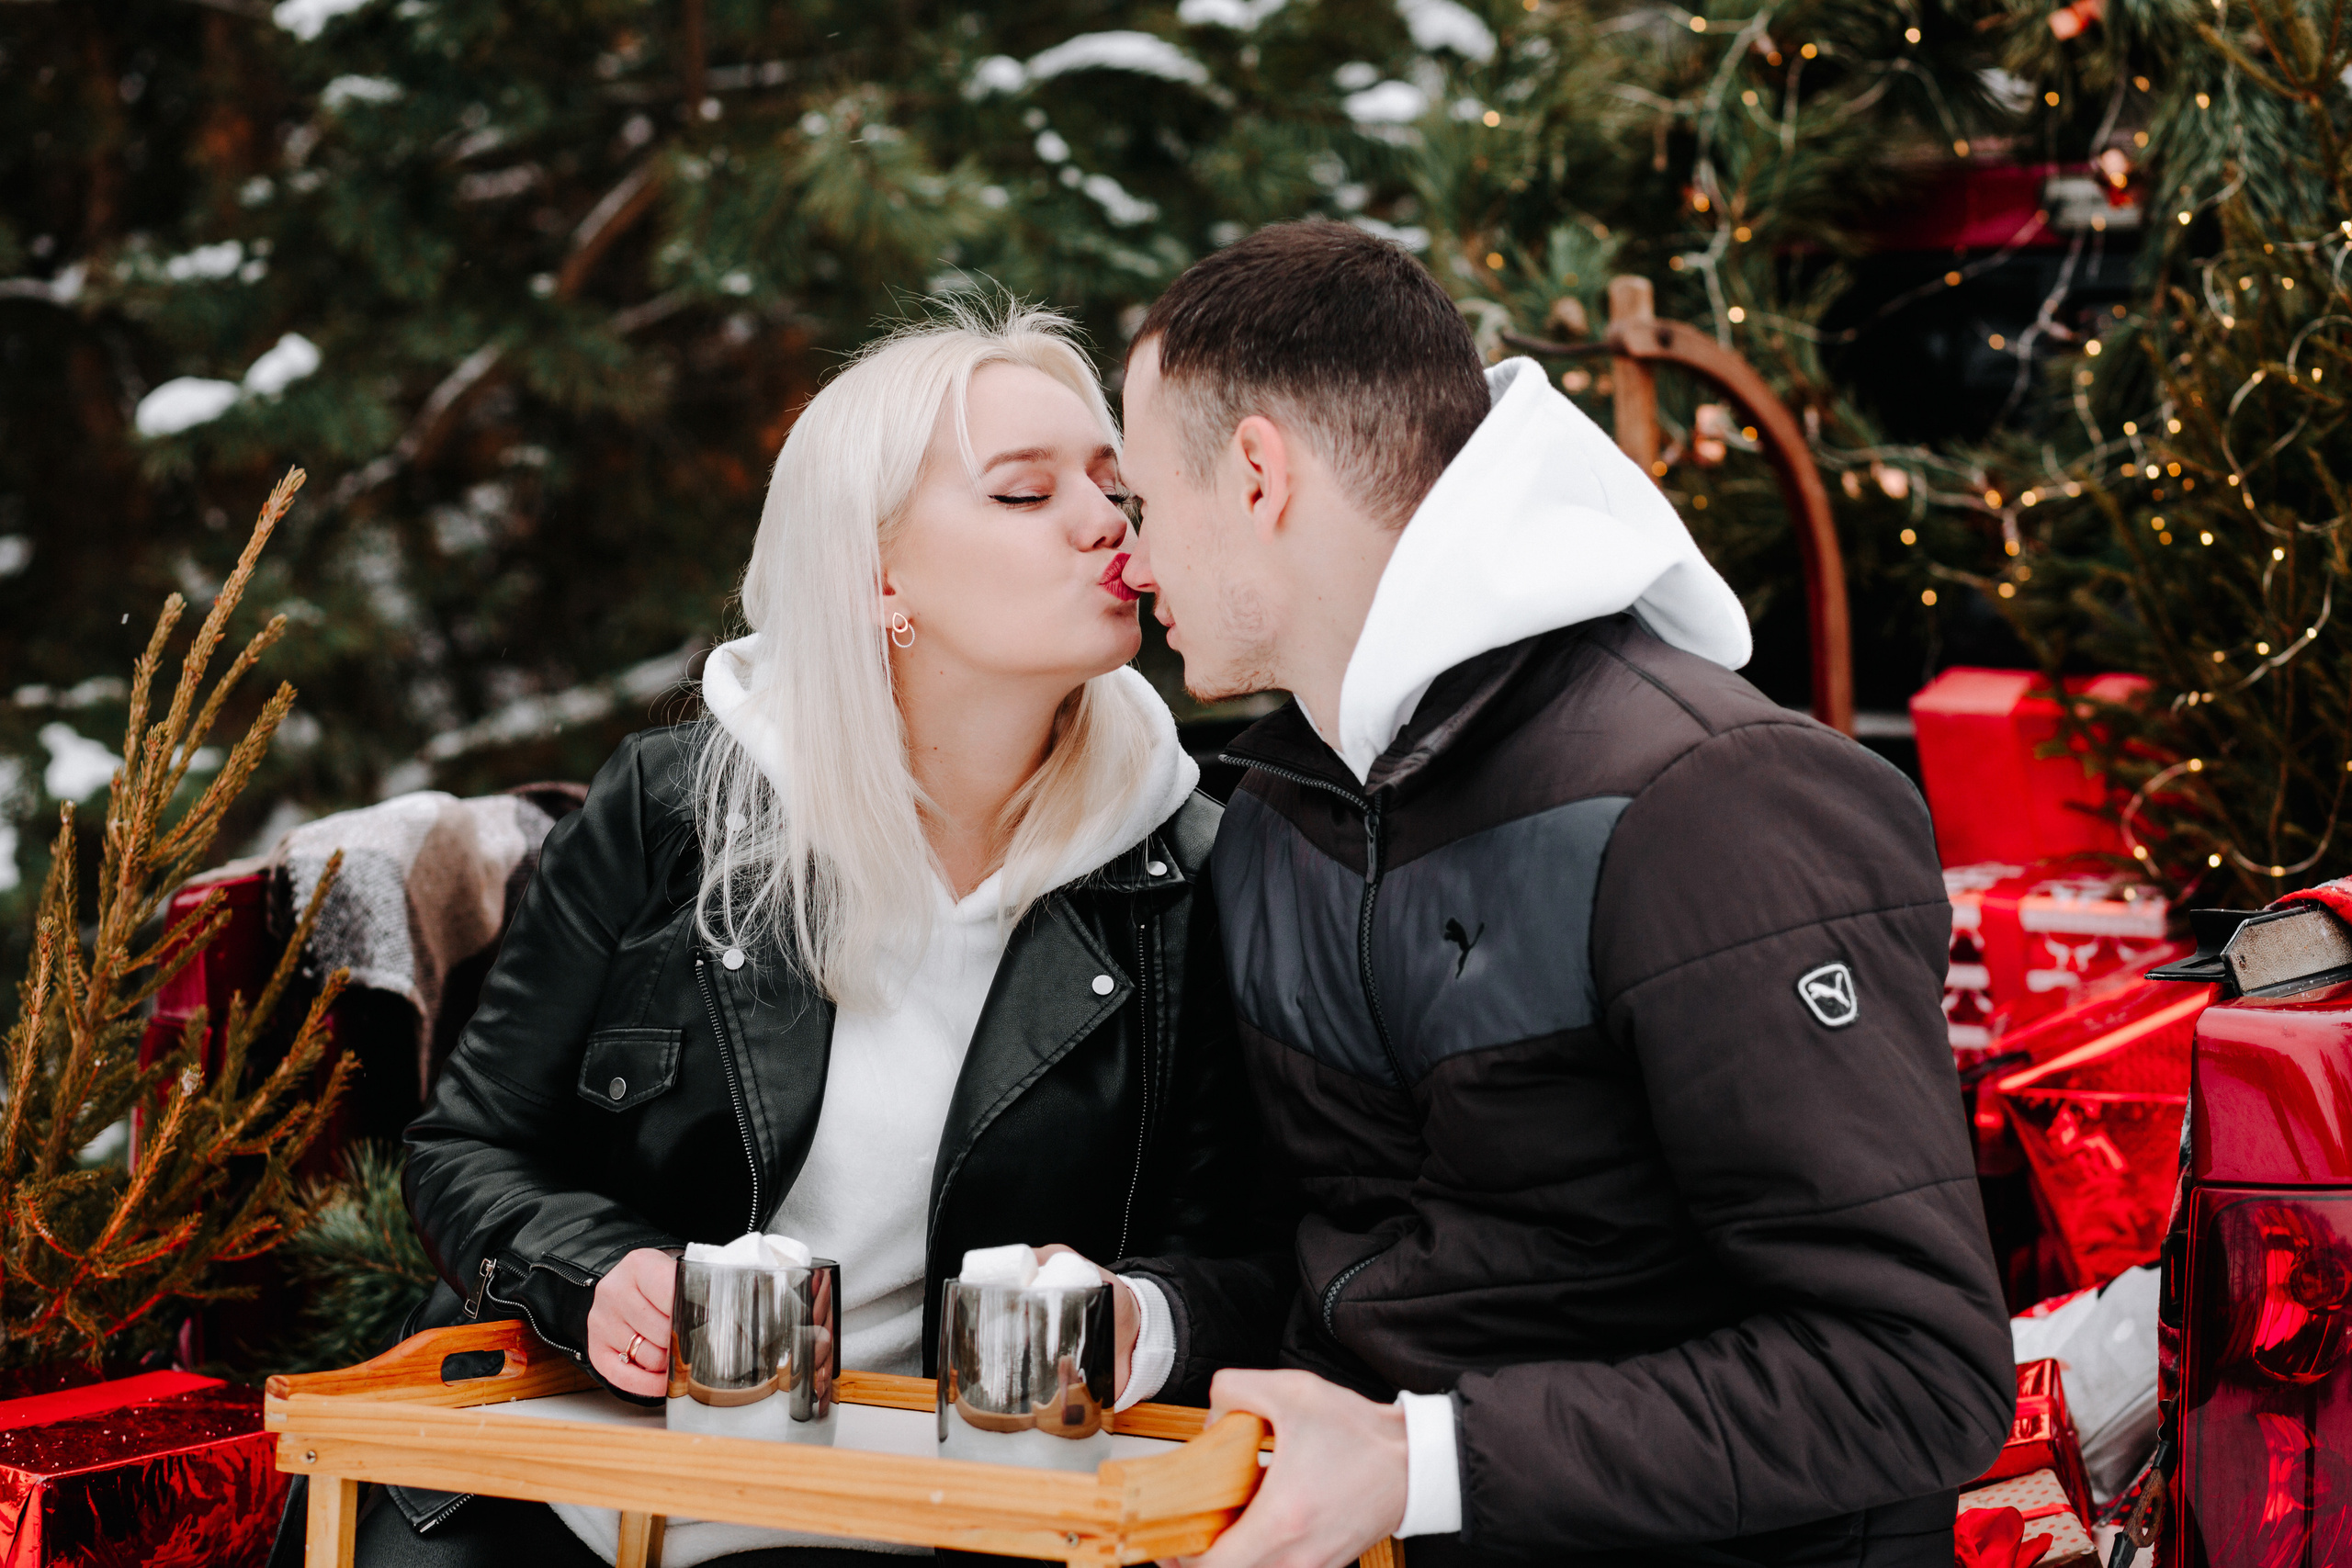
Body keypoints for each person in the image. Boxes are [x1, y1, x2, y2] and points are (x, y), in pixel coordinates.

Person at [1108, 221, 2015, 1567]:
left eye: (1142, 502)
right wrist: (1155, 1326)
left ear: (1255, 475)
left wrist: (1424, 1466)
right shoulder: (1278, 817)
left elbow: (1911, 1372)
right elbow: (1353, 1272)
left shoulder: (1709, 801)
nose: (1131, 562)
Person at [372, 301, 1261, 1567]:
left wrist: (1141, 1323)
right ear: (876, 573)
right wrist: (603, 1271)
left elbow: (1253, 1255)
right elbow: (470, 1147)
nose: (1106, 523)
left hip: (944, 1523)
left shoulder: (1187, 867)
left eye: (1116, 487)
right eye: (1024, 492)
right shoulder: (674, 809)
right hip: (570, 1489)